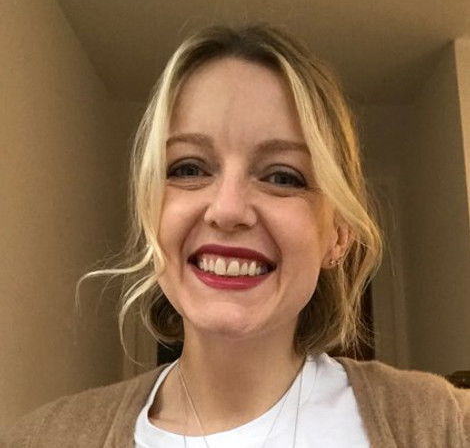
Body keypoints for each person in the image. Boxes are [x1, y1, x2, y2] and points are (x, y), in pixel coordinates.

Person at [3, 24, 469, 448]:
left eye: (282, 176)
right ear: (151, 212)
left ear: (339, 235)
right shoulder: (40, 439)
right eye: (188, 168)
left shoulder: (443, 423)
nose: (227, 210)